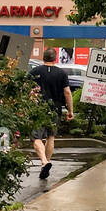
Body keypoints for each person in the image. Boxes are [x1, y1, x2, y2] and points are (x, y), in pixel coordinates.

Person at [30, 48, 73, 180]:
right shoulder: (61, 73)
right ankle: (46, 164)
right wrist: (70, 110)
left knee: (36, 137)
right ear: (55, 58)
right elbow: (67, 93)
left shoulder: (34, 72)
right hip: (55, 109)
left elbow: (26, 90)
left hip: (38, 108)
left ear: (43, 58)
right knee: (50, 137)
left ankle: (44, 162)